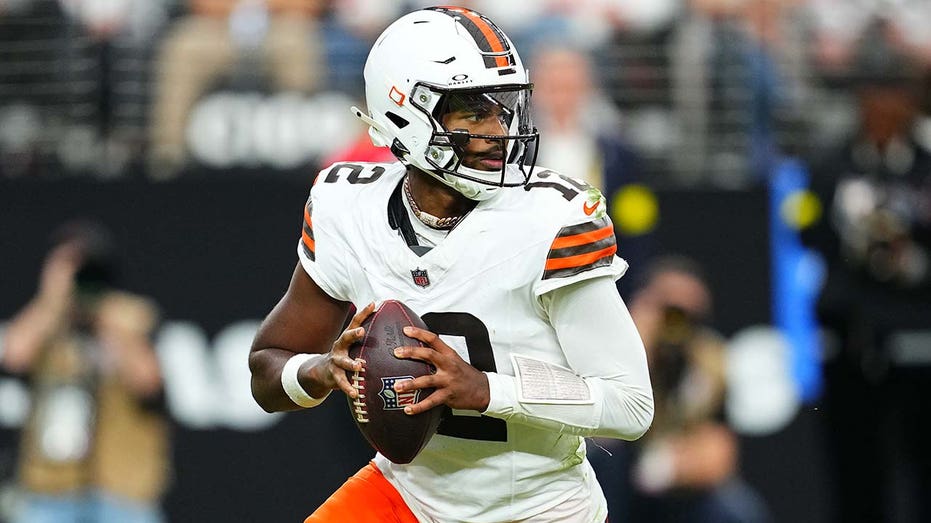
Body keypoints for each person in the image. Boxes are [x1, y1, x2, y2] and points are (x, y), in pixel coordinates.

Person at [248, 6, 654, 522]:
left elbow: (631, 405)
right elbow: (267, 367)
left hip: (537, 507)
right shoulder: (348, 207)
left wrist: (487, 390)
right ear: (403, 114)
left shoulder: (553, 219)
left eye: (503, 109)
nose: (498, 130)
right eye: (473, 113)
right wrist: (321, 370)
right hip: (408, 494)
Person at [803, 20, 931, 523]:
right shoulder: (830, 164)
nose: (882, 106)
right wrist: (855, 234)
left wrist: (909, 258)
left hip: (918, 340)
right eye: (873, 93)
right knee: (855, 470)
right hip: (852, 338)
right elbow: (807, 233)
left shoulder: (924, 166)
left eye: (894, 93)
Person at [0, 221, 170, 523]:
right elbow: (13, 357)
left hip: (123, 491)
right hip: (50, 490)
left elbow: (149, 384)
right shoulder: (46, 320)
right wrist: (52, 299)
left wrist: (106, 320)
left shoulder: (133, 316)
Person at [617, 256, 770, 523]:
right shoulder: (614, 351)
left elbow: (719, 453)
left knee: (736, 509)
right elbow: (602, 436)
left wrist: (668, 466)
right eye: (672, 312)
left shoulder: (709, 360)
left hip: (677, 485)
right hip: (617, 476)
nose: (678, 327)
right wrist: (637, 349)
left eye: (692, 316)